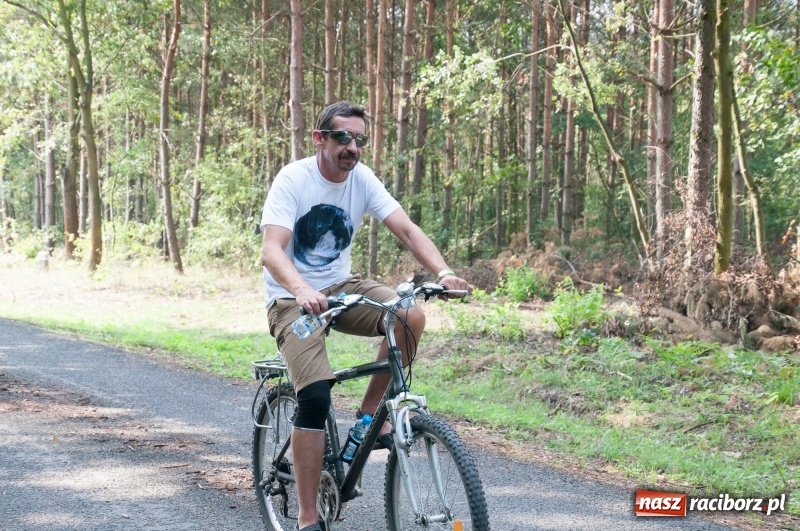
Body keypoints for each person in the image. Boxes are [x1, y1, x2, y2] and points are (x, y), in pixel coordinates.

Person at [260, 100, 469, 531]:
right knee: (315, 396)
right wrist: (301, 289)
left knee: (409, 315)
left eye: (359, 139)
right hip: (290, 298)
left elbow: (407, 229)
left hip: (342, 288)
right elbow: (271, 250)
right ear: (320, 139)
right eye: (342, 137)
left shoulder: (362, 179)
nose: (352, 147)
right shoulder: (293, 179)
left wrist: (443, 272)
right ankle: (306, 518)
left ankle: (369, 418)